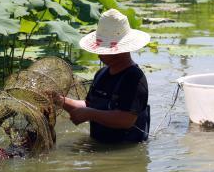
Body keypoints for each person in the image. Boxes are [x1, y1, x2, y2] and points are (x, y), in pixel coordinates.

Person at [56, 9, 151, 143]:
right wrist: (59, 100)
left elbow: (126, 120)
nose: (98, 54)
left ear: (120, 51)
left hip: (124, 150)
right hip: (98, 145)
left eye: (104, 49)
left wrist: (89, 114)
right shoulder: (101, 74)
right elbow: (89, 105)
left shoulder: (134, 78)